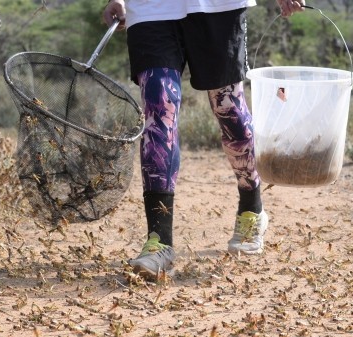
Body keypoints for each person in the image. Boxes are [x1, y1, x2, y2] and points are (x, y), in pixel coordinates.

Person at [102, 0, 306, 280]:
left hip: (217, 7)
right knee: (159, 110)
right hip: (151, 9)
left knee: (229, 110)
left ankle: (251, 207)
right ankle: (159, 240)